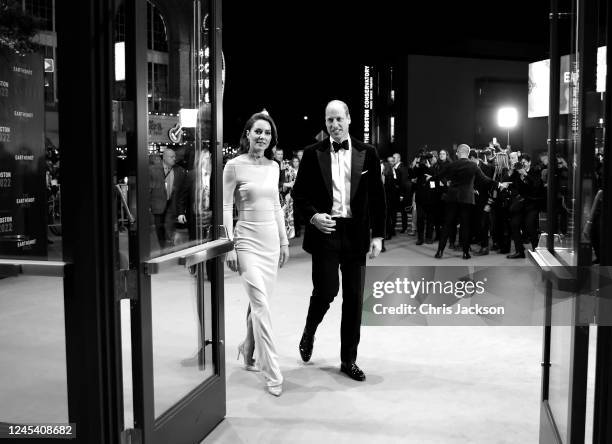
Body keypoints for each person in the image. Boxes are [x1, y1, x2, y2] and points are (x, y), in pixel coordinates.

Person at [292, 100, 386, 381]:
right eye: (329, 120)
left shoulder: (367, 152)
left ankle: (348, 360)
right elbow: (299, 195)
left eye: (338, 119)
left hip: (356, 234)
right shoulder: (312, 154)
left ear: (349, 119)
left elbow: (378, 198)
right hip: (325, 232)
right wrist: (313, 217)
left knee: (355, 300)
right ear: (326, 122)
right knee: (327, 290)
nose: (334, 124)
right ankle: (309, 331)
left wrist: (379, 235)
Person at [222, 112, 289, 397]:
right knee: (261, 306)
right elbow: (225, 208)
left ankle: (247, 347)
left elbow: (276, 206)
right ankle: (272, 372)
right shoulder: (233, 166)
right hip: (246, 241)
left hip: (271, 242)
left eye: (268, 133)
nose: (262, 137)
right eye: (258, 131)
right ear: (247, 133)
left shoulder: (274, 166)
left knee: (258, 303)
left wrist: (285, 242)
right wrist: (229, 245)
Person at [434, 144, 508, 259]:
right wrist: (498, 184)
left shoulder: (452, 164)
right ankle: (465, 253)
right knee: (465, 225)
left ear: (458, 152)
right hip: (466, 198)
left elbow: (438, 176)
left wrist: (441, 181)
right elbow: (485, 180)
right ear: (468, 153)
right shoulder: (473, 165)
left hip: (452, 197)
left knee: (447, 224)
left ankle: (439, 252)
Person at [149, 148, 188, 251]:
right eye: (171, 157)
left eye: (174, 156)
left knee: (169, 227)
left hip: (172, 205)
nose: (174, 159)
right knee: (159, 228)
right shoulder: (153, 170)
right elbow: (148, 189)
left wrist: (181, 211)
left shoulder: (179, 171)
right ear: (164, 158)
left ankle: (168, 248)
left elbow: (181, 192)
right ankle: (163, 248)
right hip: (157, 205)